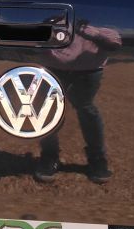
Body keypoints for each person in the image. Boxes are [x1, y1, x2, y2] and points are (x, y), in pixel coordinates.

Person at [36, 20, 122, 184]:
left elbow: (114, 45)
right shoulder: (50, 29)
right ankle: (49, 155)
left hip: (87, 73)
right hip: (53, 70)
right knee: (46, 111)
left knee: (87, 110)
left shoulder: (100, 29)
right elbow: (31, 46)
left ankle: (97, 158)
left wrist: (89, 33)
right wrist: (46, 37)